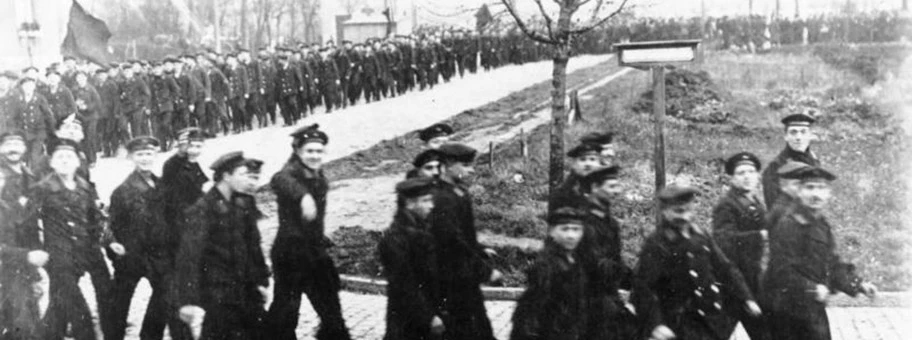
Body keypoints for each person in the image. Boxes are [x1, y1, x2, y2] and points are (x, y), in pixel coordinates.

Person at [23, 138, 125, 340]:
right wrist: (37, 251)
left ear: (78, 162)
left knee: (107, 296)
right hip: (61, 256)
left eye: (69, 157)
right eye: (59, 157)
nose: (64, 161)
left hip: (89, 250)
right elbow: (28, 223)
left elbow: (97, 218)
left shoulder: (84, 186)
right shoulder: (42, 188)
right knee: (77, 309)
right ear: (51, 163)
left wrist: (110, 241)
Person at [632, 184, 761, 340]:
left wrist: (746, 297)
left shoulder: (700, 235)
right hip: (680, 324)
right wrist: (656, 324)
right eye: (678, 211)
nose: (685, 217)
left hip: (712, 318)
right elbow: (644, 288)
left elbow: (726, 268)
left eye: (688, 210)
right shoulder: (657, 243)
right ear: (665, 212)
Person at [762, 166, 877, 340]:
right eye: (810, 188)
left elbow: (831, 262)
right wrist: (812, 289)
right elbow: (781, 270)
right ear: (799, 192)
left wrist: (858, 284)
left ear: (828, 194)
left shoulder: (820, 223)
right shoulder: (789, 224)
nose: (816, 194)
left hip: (810, 309)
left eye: (821, 188)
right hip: (787, 311)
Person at [267, 124, 352, 340]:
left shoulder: (316, 173)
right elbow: (278, 180)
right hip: (290, 255)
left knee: (331, 310)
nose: (314, 156)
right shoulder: (290, 174)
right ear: (297, 152)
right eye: (309, 151)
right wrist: (303, 196)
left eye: (319, 151)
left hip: (314, 252)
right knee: (286, 313)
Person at [174, 152, 270, 340]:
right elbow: (189, 256)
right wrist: (187, 300)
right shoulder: (202, 209)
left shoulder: (244, 203)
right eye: (242, 174)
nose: (247, 180)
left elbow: (254, 247)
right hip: (218, 293)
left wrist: (261, 280)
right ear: (226, 176)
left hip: (246, 288)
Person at [107, 136, 181, 340]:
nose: (145, 158)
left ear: (155, 155)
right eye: (140, 154)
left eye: (149, 154)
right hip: (131, 256)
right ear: (131, 157)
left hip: (159, 255)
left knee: (167, 298)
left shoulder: (162, 186)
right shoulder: (122, 191)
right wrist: (114, 248)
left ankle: (149, 336)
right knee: (120, 305)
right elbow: (111, 225)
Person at [430, 143, 499, 340]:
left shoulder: (457, 191)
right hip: (451, 279)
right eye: (466, 165)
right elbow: (452, 241)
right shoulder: (442, 197)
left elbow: (463, 234)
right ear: (449, 164)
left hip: (462, 276)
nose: (471, 170)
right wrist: (485, 271)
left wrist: (480, 248)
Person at [711, 152, 771, 340]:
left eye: (751, 171)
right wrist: (758, 236)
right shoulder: (726, 206)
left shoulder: (755, 203)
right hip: (732, 284)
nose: (747, 176)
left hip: (753, 281)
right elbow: (724, 242)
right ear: (731, 178)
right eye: (741, 173)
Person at [378, 177, 444, 340]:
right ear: (409, 203)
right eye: (426, 200)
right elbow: (404, 285)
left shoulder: (422, 227)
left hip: (429, 313)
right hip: (409, 320)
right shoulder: (395, 238)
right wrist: (429, 317)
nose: (432, 205)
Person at [510, 207, 588, 340]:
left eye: (576, 229)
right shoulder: (546, 265)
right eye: (564, 229)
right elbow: (533, 312)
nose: (571, 235)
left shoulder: (577, 260)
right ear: (552, 231)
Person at [577, 165, 635, 340]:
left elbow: (614, 260)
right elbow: (597, 266)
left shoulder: (611, 223)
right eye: (611, 186)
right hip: (583, 303)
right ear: (594, 187)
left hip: (606, 297)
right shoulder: (579, 222)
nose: (616, 191)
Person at [0, 156, 50, 340]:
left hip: (14, 274)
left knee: (26, 324)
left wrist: (34, 275)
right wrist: (26, 257)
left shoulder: (10, 210)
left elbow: (26, 239)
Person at [761, 113, 819, 207]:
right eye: (793, 132)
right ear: (786, 136)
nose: (798, 138)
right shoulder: (776, 167)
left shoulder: (814, 160)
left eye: (803, 132)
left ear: (810, 135)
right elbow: (774, 208)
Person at [7, 78, 55, 164]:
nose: (28, 88)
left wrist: (51, 131)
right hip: (23, 133)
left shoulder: (40, 98)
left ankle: (34, 175)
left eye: (30, 85)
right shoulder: (18, 99)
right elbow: (13, 117)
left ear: (34, 87)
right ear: (22, 87)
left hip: (38, 132)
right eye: (26, 86)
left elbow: (48, 115)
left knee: (34, 157)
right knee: (22, 157)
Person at [549, 143, 602, 212]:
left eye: (592, 159)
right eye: (583, 159)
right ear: (574, 164)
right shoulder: (562, 194)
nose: (588, 164)